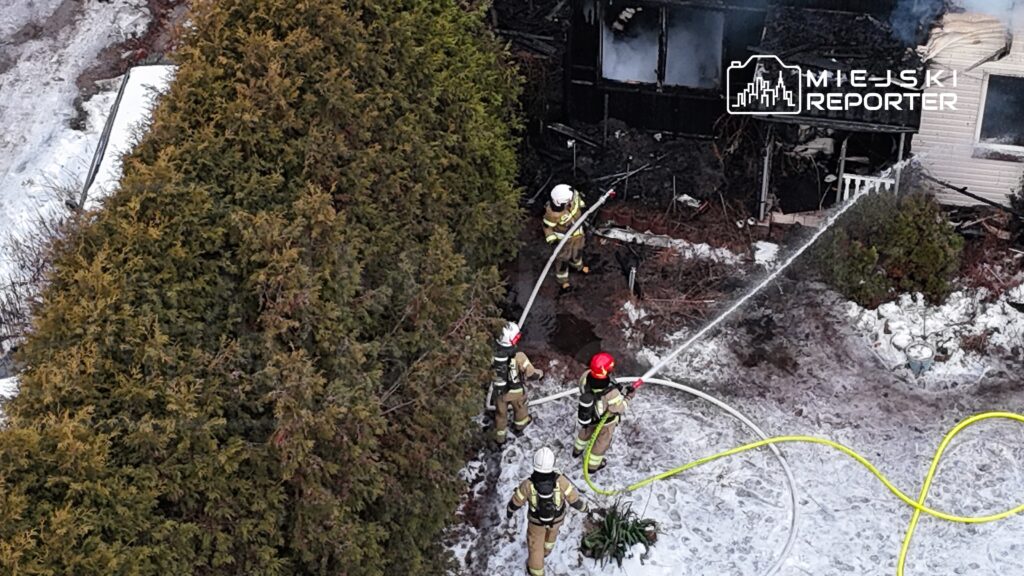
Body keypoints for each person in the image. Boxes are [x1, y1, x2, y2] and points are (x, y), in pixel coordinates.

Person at [507, 447, 590, 576]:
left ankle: (536, 571)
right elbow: (574, 500)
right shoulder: (561, 481)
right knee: (551, 536)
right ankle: (546, 551)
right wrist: (585, 508)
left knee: (535, 547)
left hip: (536, 522)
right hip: (556, 519)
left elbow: (517, 500)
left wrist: (510, 509)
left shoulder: (527, 484)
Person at [573, 351, 630, 473]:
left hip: (590, 416)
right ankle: (592, 466)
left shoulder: (585, 377)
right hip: (605, 423)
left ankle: (577, 450)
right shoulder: (611, 393)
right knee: (601, 443)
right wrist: (628, 397)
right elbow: (617, 408)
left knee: (585, 432)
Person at [491, 321, 543, 445]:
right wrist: (540, 374)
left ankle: (500, 438)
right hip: (516, 391)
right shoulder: (519, 356)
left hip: (499, 392)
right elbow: (531, 373)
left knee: (500, 414)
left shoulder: (492, 355)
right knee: (521, 408)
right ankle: (520, 426)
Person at [542, 184, 588, 291]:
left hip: (578, 234)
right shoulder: (552, 214)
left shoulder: (573, 195)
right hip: (564, 240)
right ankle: (563, 280)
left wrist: (584, 206)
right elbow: (547, 226)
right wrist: (551, 238)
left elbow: (579, 203)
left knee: (578, 250)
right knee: (563, 259)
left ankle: (578, 266)